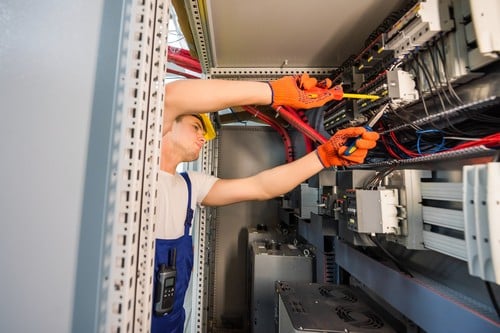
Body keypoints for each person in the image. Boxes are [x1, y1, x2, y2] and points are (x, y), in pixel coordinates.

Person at [152, 74, 380, 332]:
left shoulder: (189, 185)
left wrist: (324, 156)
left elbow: (260, 186)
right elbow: (170, 97)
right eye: (196, 126)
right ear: (169, 124)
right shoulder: (136, 172)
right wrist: (272, 92)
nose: (203, 137)